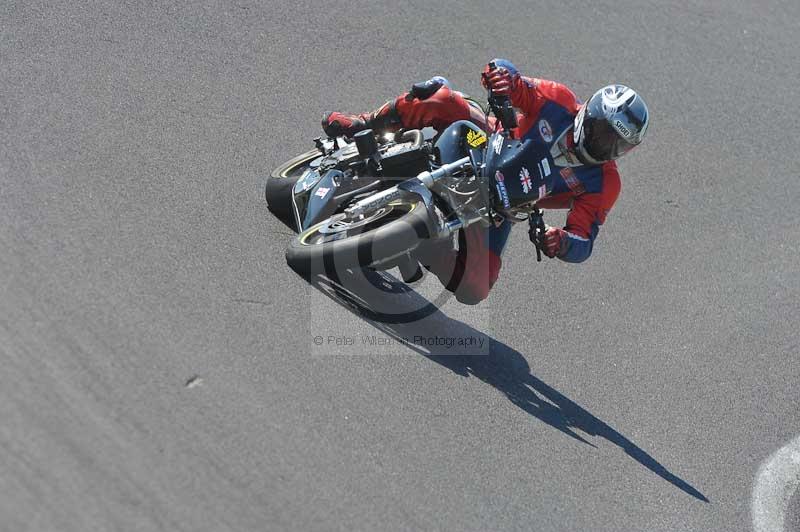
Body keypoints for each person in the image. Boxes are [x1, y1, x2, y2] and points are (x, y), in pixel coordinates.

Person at [322, 59, 649, 305]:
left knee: (475, 287)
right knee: (441, 98)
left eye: (616, 144)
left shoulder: (604, 183)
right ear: (589, 114)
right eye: (602, 132)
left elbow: (584, 240)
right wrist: (502, 80)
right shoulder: (558, 101)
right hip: (487, 141)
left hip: (504, 205)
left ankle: (427, 245)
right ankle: (365, 123)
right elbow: (511, 78)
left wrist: (560, 241)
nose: (604, 146)